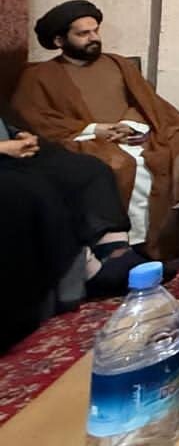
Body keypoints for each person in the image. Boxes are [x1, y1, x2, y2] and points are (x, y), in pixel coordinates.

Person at [13, 0, 179, 259]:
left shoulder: (118, 64)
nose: (93, 38)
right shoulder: (39, 75)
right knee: (120, 164)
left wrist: (130, 125)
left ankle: (177, 240)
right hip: (86, 139)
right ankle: (127, 248)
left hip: (135, 134)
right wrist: (95, 129)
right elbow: (37, 120)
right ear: (59, 40)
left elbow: (145, 102)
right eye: (83, 34)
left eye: (95, 31)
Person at [2, 108, 144, 351]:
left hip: (10, 150)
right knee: (33, 188)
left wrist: (19, 136)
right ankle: (87, 271)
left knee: (88, 169)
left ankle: (115, 251)